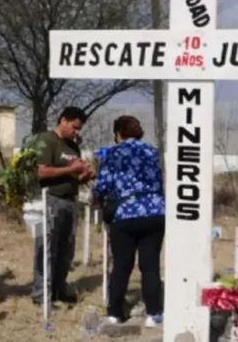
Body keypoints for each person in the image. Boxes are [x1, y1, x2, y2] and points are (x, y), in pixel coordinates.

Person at [93, 115, 165, 327]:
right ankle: (154, 314)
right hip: (154, 212)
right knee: (150, 266)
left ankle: (115, 314)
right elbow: (159, 181)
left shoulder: (112, 153)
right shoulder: (152, 151)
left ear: (118, 134)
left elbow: (103, 185)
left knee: (122, 265)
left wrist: (96, 197)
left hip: (124, 214)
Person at [31, 106, 94, 305]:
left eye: (79, 129)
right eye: (74, 127)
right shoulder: (47, 140)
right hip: (51, 199)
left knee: (66, 249)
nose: (76, 132)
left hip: (70, 200)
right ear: (63, 121)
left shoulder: (73, 147)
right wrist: (70, 169)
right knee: (48, 248)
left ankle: (60, 289)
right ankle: (42, 294)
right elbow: (41, 172)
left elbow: (74, 175)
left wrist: (84, 175)